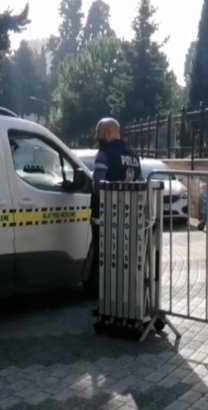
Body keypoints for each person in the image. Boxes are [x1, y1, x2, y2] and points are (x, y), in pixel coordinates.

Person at [85, 118, 142, 296]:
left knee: (101, 255)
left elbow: (98, 184)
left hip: (104, 215)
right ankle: (121, 294)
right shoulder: (133, 155)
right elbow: (140, 184)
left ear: (108, 133)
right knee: (123, 257)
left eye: (99, 133)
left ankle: (99, 295)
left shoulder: (104, 154)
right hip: (129, 216)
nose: (97, 136)